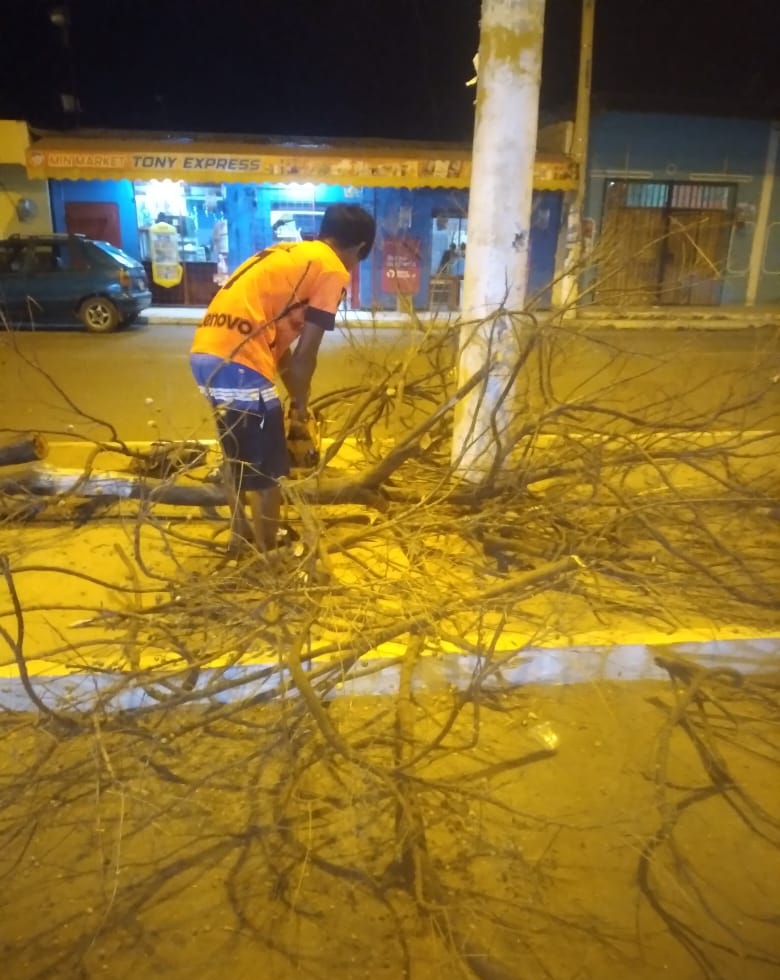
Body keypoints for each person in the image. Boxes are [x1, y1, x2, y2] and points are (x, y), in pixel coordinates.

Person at [190, 203, 376, 553]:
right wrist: (301, 404)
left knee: (238, 455)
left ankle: (240, 535)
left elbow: (282, 352)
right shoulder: (332, 270)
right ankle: (268, 555)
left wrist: (296, 400)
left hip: (206, 352)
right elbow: (305, 356)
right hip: (241, 360)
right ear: (361, 247)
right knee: (269, 473)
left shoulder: (289, 254)